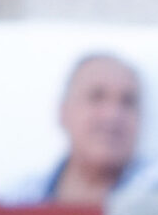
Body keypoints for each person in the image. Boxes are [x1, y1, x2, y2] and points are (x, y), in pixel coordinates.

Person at [26, 52, 150, 204]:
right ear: (63, 112)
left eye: (127, 102)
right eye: (96, 97)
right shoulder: (17, 203)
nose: (112, 115)